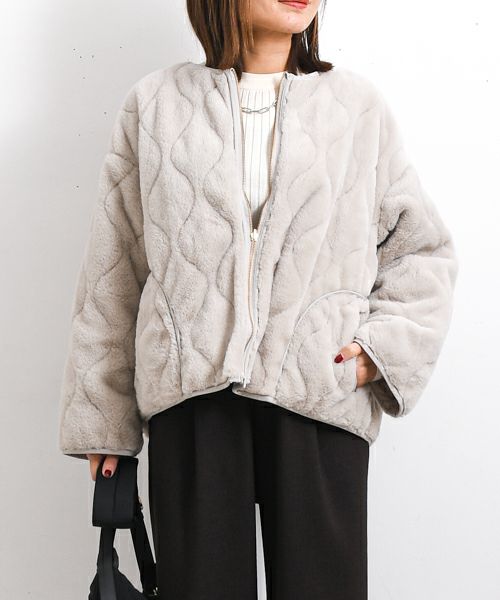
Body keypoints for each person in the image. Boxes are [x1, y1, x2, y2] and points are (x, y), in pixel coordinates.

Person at [57, 0, 459, 598]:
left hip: (319, 395)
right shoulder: (155, 104)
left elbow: (422, 253)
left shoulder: (357, 108)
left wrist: (376, 355)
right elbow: (113, 271)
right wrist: (103, 422)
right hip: (193, 399)